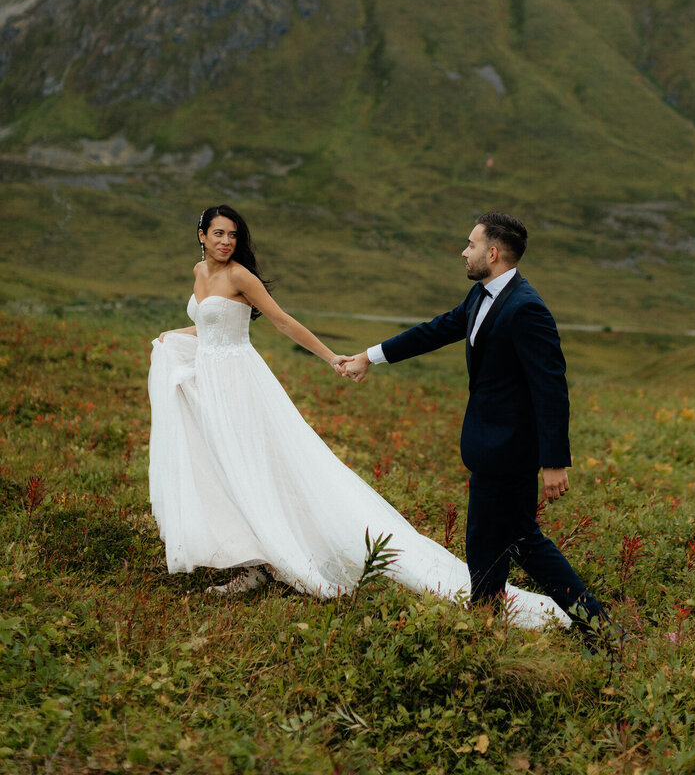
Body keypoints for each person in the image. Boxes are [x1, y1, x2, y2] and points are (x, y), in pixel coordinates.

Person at [147, 204, 568, 629]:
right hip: (211, 381)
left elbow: (282, 321)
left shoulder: (240, 275)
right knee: (224, 466)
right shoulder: (200, 273)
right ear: (202, 235)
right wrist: (172, 337)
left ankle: (578, 614)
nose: (226, 241)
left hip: (240, 384)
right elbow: (209, 326)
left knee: (257, 467)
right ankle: (250, 558)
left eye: (232, 235)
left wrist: (335, 358)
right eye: (218, 233)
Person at [340, 211, 607, 634]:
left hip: (511, 450)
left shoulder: (527, 308)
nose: (464, 252)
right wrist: (370, 356)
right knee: (486, 538)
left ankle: (600, 627)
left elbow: (551, 387)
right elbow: (436, 330)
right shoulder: (481, 295)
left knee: (522, 540)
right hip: (487, 446)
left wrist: (554, 460)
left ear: (494, 252)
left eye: (471, 244)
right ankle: (485, 620)